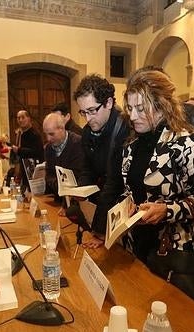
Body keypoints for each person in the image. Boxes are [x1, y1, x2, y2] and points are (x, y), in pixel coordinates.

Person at [121, 69, 194, 306]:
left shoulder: (186, 142)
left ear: (163, 105)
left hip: (176, 251)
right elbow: (131, 189)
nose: (133, 116)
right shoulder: (131, 145)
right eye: (130, 108)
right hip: (138, 244)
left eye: (141, 109)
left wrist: (167, 211)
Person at [74, 74, 130, 248]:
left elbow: (114, 183)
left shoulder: (125, 129)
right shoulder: (87, 132)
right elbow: (87, 168)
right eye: (83, 112)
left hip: (121, 208)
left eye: (92, 110)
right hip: (102, 204)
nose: (88, 119)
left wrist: (99, 232)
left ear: (109, 103)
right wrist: (81, 191)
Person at [42, 112, 84, 198]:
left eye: (51, 134)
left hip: (76, 200)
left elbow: (76, 177)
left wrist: (58, 183)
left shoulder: (78, 144)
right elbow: (49, 175)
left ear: (62, 129)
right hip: (57, 199)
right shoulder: (48, 148)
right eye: (45, 134)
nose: (48, 138)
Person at [10, 109, 44, 191]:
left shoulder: (34, 134)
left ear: (29, 118)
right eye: (18, 118)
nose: (20, 120)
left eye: (23, 117)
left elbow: (37, 152)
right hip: (23, 170)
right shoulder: (20, 134)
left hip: (33, 170)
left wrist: (19, 150)